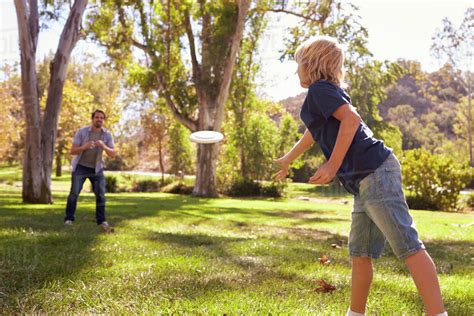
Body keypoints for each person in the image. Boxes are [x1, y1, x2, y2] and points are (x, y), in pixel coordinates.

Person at [274, 36, 446, 316]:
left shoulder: (320, 90)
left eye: (299, 65)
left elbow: (352, 121)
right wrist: (288, 159)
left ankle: (437, 313)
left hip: (375, 172)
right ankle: (355, 313)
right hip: (364, 179)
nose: (297, 72)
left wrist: (332, 165)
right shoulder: (325, 92)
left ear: (312, 64)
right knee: (360, 253)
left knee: (408, 246)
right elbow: (313, 132)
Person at [64, 109, 116, 233]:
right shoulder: (82, 132)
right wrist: (84, 147)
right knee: (74, 193)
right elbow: (72, 151)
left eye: (101, 118)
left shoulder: (107, 135)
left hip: (96, 168)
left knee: (100, 195)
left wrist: (104, 146)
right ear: (92, 119)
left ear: (104, 120)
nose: (99, 119)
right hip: (81, 167)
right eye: (97, 117)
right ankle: (69, 219)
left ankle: (101, 220)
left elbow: (113, 154)